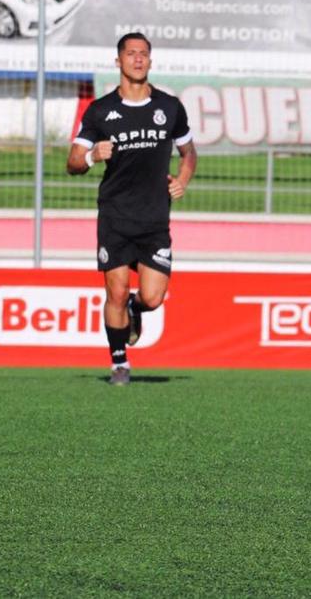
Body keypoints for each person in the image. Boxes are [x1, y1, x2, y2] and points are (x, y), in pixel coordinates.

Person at [68, 32, 196, 386]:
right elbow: (73, 162)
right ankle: (119, 363)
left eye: (143, 54)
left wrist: (183, 178)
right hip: (115, 216)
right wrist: (93, 155)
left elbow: (189, 153)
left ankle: (135, 313)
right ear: (118, 61)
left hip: (155, 218)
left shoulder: (169, 107)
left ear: (150, 61)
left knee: (153, 298)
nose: (137, 59)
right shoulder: (100, 110)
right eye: (131, 53)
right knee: (117, 291)